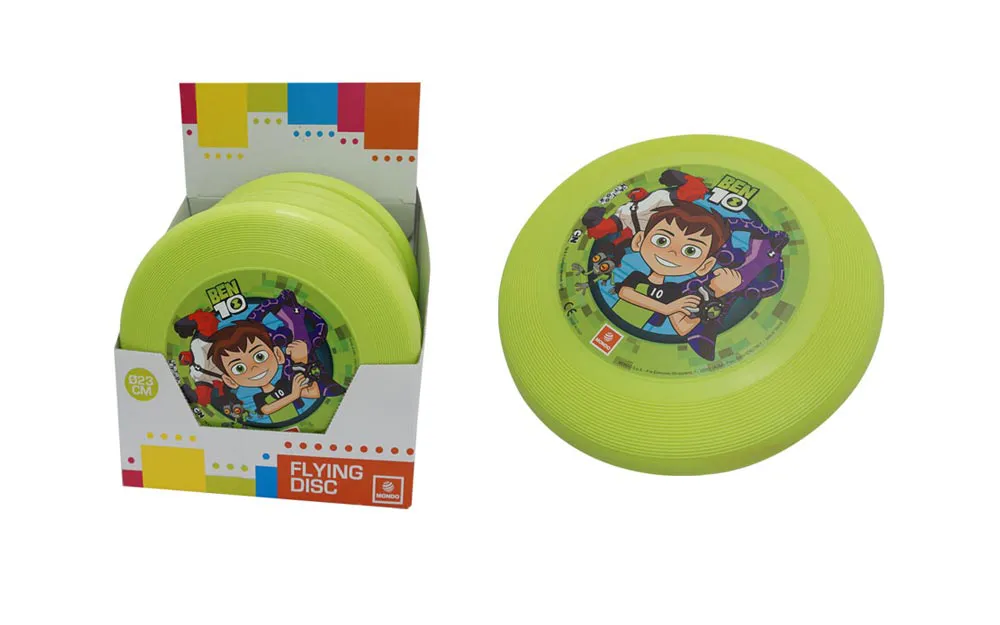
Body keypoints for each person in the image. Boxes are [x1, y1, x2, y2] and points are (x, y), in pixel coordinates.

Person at [612, 202, 742, 336]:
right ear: (639, 240)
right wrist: (665, 308)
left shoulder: (672, 291)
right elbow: (625, 293)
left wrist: (715, 293)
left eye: (690, 251)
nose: (672, 252)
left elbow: (683, 328)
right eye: (662, 240)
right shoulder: (637, 277)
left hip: (632, 335)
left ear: (705, 265)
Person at [207, 321, 320, 423]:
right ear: (230, 380)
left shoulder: (285, 384)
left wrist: (302, 361)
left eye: (260, 356)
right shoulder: (258, 397)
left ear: (278, 355)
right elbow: (266, 409)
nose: (254, 368)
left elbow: (315, 393)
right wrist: (294, 395)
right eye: (239, 368)